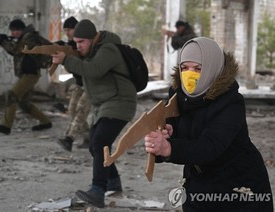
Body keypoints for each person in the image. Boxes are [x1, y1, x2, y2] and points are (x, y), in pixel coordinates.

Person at [144, 37, 273, 211]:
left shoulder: (231, 102)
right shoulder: (179, 96)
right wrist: (161, 142)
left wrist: (169, 148)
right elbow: (173, 135)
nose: (189, 74)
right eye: (184, 68)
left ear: (212, 68)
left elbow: (210, 146)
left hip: (240, 187)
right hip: (198, 184)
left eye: (197, 68)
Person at [52, 19, 137, 208]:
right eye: (76, 42)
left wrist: (67, 59)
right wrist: (67, 57)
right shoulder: (90, 52)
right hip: (105, 104)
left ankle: (98, 190)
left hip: (120, 103)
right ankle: (113, 182)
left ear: (92, 39)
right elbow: (82, 77)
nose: (78, 45)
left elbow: (94, 70)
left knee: (100, 142)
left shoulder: (108, 50)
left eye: (81, 41)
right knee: (95, 145)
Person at [0, 19, 52, 135]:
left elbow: (16, 50)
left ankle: (5, 126)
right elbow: (15, 50)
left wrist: (2, 41)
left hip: (30, 74)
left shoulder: (28, 37)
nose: (13, 33)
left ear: (21, 30)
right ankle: (45, 122)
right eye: (12, 31)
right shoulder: (24, 37)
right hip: (27, 74)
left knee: (12, 95)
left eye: (15, 30)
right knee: (23, 102)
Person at [56, 16, 91, 151]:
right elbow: (71, 68)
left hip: (91, 84)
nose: (67, 32)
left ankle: (69, 138)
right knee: (72, 111)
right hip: (79, 83)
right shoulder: (70, 46)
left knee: (81, 111)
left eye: (70, 29)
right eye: (65, 30)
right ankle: (89, 138)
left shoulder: (86, 45)